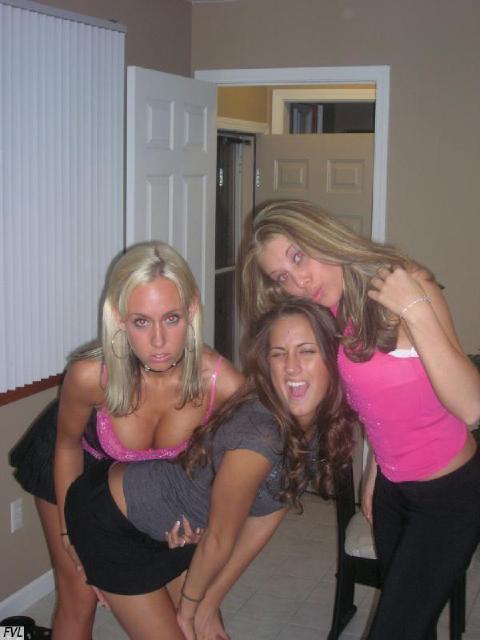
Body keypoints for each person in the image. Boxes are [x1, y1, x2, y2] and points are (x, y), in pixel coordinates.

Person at [240, 199, 480, 640]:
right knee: (415, 627)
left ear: (321, 235)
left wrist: (416, 308)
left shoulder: (406, 286)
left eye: (298, 256)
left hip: (448, 495)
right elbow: (378, 403)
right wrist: (374, 469)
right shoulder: (329, 313)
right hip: (391, 491)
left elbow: (471, 406)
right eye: (282, 277)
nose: (299, 281)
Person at [63, 299, 355, 640]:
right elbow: (219, 537)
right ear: (266, 363)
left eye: (307, 351)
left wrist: (207, 604)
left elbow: (264, 519)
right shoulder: (260, 438)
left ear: (333, 357)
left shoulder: (310, 423)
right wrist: (191, 611)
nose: (292, 367)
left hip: (175, 533)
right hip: (112, 520)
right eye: (278, 354)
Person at [10, 241, 244, 640]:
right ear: (119, 318)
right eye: (141, 322)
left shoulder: (222, 385)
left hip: (148, 484)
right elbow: (66, 448)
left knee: (199, 613)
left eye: (171, 318)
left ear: (191, 311)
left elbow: (235, 470)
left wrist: (201, 523)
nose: (158, 341)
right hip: (76, 470)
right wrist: (71, 535)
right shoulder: (90, 376)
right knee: (79, 596)